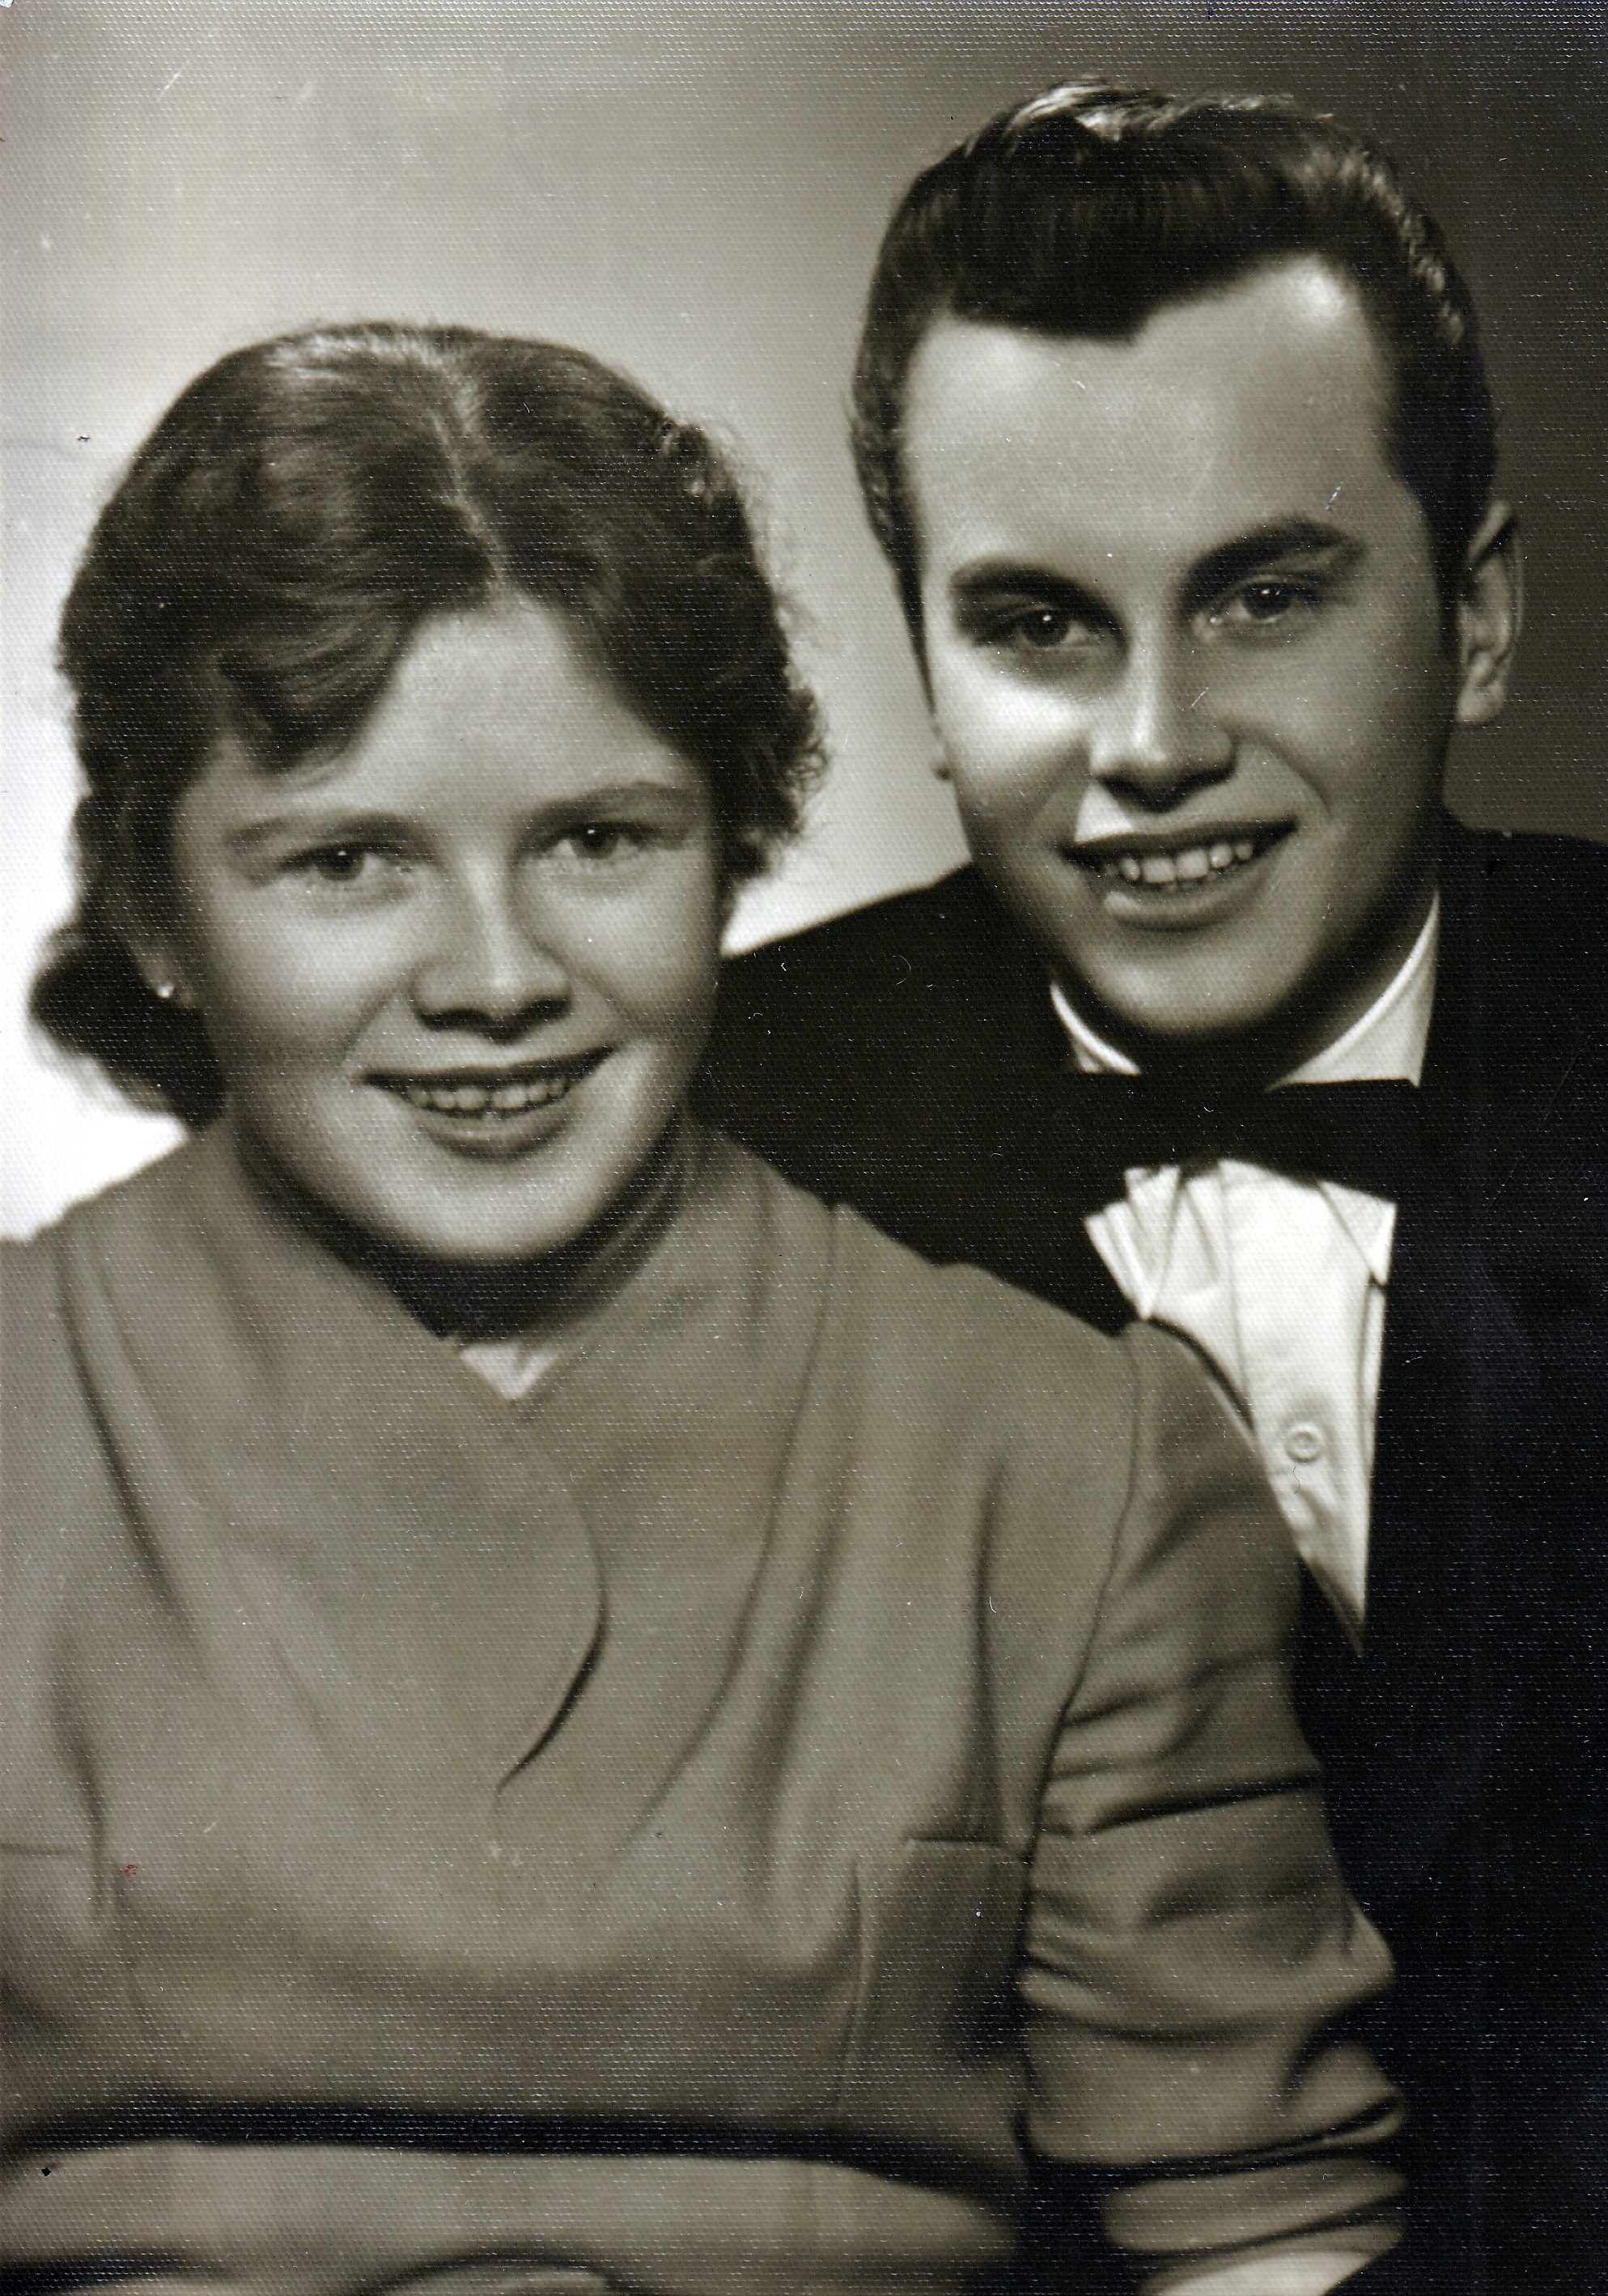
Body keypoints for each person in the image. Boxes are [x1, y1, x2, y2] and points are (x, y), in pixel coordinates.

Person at [2, 322, 1405, 2296]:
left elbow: (1260, 2240)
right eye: (346, 861)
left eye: (599, 840)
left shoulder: (1068, 1464)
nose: (496, 978)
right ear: (156, 907)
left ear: (735, 845)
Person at [698, 87, 1608, 2290]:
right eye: (1035, 625)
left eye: (1263, 596)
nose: (1151, 742)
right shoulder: (702, 1141)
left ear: (1476, 616)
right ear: (923, 668)